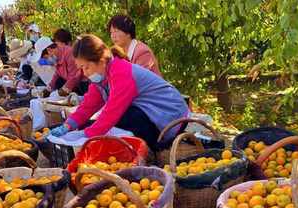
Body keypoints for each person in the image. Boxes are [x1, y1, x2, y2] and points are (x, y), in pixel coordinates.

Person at [50, 34, 189, 149]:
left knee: (124, 116)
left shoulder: (121, 72)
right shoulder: (101, 79)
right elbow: (88, 105)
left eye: (86, 67)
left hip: (171, 117)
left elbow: (112, 112)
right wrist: (68, 125)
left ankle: (153, 148)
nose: (84, 73)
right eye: (81, 68)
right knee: (92, 124)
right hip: (150, 114)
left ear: (101, 61)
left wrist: (85, 136)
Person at [44, 29, 87, 97]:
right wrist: (48, 88)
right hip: (74, 83)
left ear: (49, 50)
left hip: (83, 83)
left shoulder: (68, 52)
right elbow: (57, 74)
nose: (47, 60)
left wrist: (64, 90)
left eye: (46, 57)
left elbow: (75, 75)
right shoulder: (57, 57)